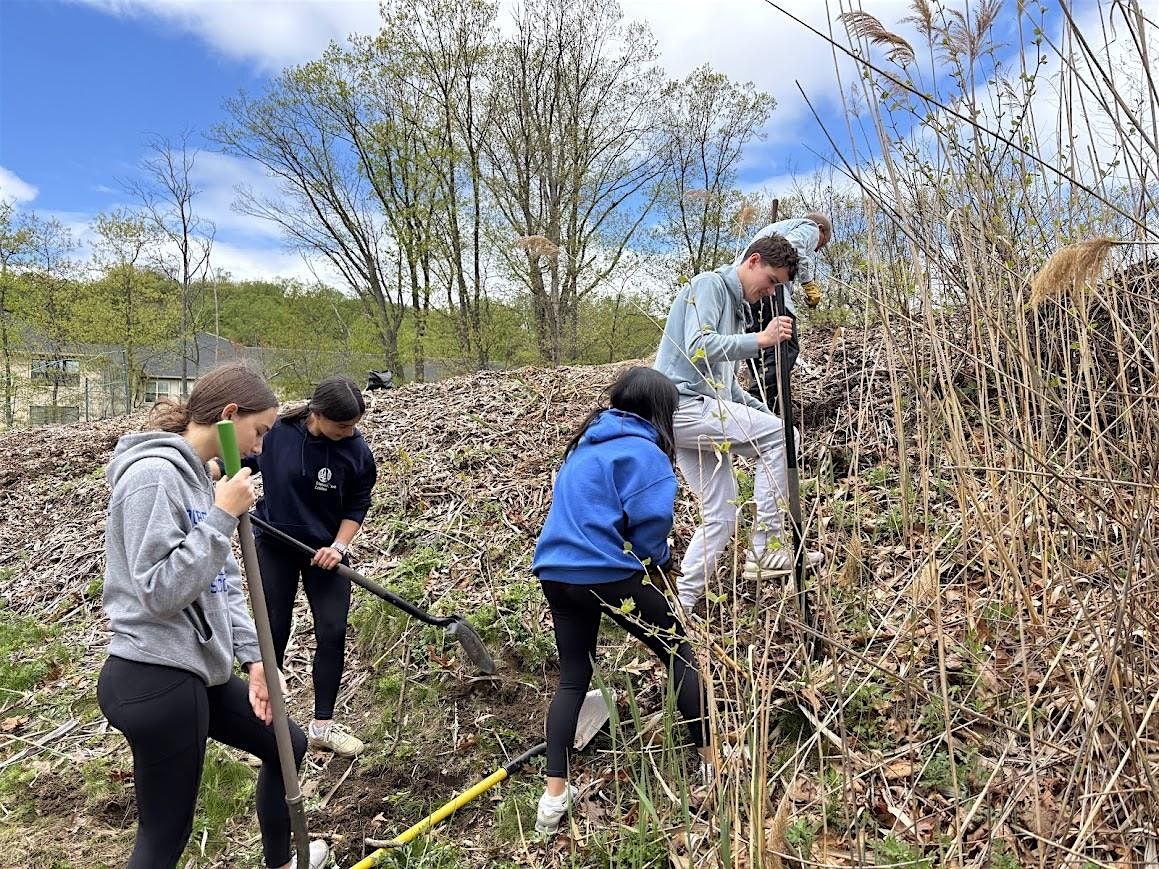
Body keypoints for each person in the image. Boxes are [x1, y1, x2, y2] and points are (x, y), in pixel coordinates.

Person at [98, 362, 329, 869]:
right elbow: (158, 591)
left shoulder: (204, 483)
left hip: (196, 670)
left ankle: (280, 861)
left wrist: (253, 661)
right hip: (154, 674)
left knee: (285, 742)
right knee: (163, 837)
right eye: (260, 431)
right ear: (229, 415)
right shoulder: (152, 476)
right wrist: (223, 515)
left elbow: (221, 584)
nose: (262, 448)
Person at [531, 366, 712, 835]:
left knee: (573, 676)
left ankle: (553, 799)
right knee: (679, 655)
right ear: (661, 411)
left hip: (555, 571)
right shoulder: (644, 453)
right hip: (606, 572)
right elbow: (650, 527)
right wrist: (659, 562)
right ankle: (714, 761)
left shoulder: (584, 447)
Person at [654, 235, 822, 610]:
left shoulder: (735, 308)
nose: (770, 292)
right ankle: (767, 547)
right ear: (753, 261)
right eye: (772, 281)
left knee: (721, 515)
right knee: (782, 439)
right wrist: (761, 339)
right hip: (683, 406)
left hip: (694, 414)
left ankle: (680, 605)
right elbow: (698, 346)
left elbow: (727, 393)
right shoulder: (710, 284)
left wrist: (766, 415)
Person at [236, 376, 377, 758]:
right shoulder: (279, 433)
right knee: (273, 629)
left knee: (332, 630)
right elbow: (244, 461)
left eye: (354, 425)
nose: (351, 431)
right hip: (275, 544)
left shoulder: (357, 451)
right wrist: (217, 472)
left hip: (325, 554)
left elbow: (356, 506)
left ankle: (322, 727)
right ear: (318, 414)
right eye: (344, 425)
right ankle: (266, 729)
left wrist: (338, 546)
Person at [739, 212, 832, 409]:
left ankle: (767, 406)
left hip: (748, 296)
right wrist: (808, 283)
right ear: (821, 229)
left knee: (761, 353)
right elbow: (793, 247)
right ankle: (754, 403)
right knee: (786, 347)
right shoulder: (810, 227)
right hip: (770, 295)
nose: (816, 248)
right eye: (821, 244)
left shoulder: (774, 230)